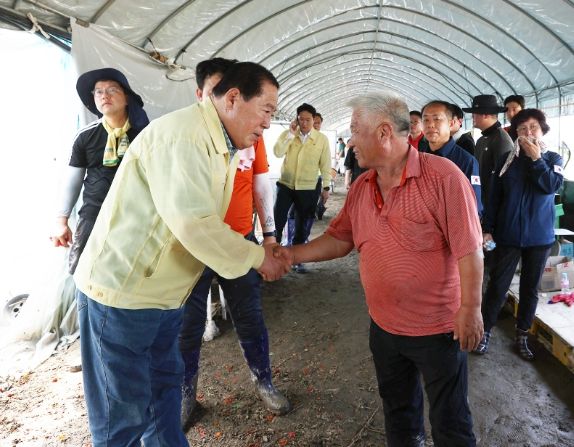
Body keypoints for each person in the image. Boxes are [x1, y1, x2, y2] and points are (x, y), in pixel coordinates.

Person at [73, 62, 290, 446]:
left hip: (164, 295)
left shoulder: (220, 142)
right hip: (124, 295)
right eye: (266, 110)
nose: (268, 123)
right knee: (121, 418)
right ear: (233, 98)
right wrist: (259, 257)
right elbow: (194, 223)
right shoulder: (183, 137)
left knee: (163, 399)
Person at [275, 92, 483, 447]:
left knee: (450, 421)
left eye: (356, 131)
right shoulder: (362, 186)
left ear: (384, 132)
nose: (351, 141)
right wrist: (290, 255)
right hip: (384, 327)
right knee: (398, 411)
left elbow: (469, 248)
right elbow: (340, 238)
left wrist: (471, 307)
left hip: (438, 330)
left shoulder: (444, 177)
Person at [179, 58, 290, 430]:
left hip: (240, 238)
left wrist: (269, 236)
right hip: (196, 247)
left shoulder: (249, 137)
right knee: (187, 325)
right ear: (203, 94)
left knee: (250, 316)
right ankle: (185, 395)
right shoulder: (189, 137)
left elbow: (261, 184)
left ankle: (264, 381)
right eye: (215, 91)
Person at [476, 109, 563, 360]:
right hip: (508, 235)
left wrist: (536, 159)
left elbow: (551, 185)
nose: (528, 132)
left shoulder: (553, 158)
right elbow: (494, 197)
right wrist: (488, 229)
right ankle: (484, 331)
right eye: (522, 129)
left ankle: (522, 334)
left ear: (543, 130)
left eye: (533, 127)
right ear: (516, 133)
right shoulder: (507, 159)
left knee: (529, 289)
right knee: (498, 285)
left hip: (540, 238)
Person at [50, 68, 149, 274]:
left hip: (136, 216)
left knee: (131, 274)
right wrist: (61, 221)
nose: (104, 95)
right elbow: (73, 180)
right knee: (84, 272)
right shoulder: (85, 136)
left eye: (112, 90)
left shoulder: (146, 135)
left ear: (127, 98)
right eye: (98, 92)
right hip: (93, 215)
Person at [274, 102, 331, 273]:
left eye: (308, 120)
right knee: (278, 220)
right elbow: (277, 152)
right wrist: (290, 135)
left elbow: (325, 164)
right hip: (285, 185)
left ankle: (296, 259)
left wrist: (326, 187)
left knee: (302, 223)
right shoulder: (289, 134)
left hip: (307, 188)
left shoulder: (321, 140)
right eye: (301, 119)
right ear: (297, 120)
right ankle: (273, 254)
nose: (304, 123)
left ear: (314, 120)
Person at [420, 100, 482, 216]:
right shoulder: (419, 158)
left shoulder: (466, 161)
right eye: (426, 120)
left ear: (451, 123)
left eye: (437, 119)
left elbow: (474, 207)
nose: (430, 125)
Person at [463, 95, 513, 212]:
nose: (472, 117)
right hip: (482, 203)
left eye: (474, 113)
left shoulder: (501, 140)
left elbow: (505, 179)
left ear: (485, 114)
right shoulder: (482, 140)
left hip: (495, 208)